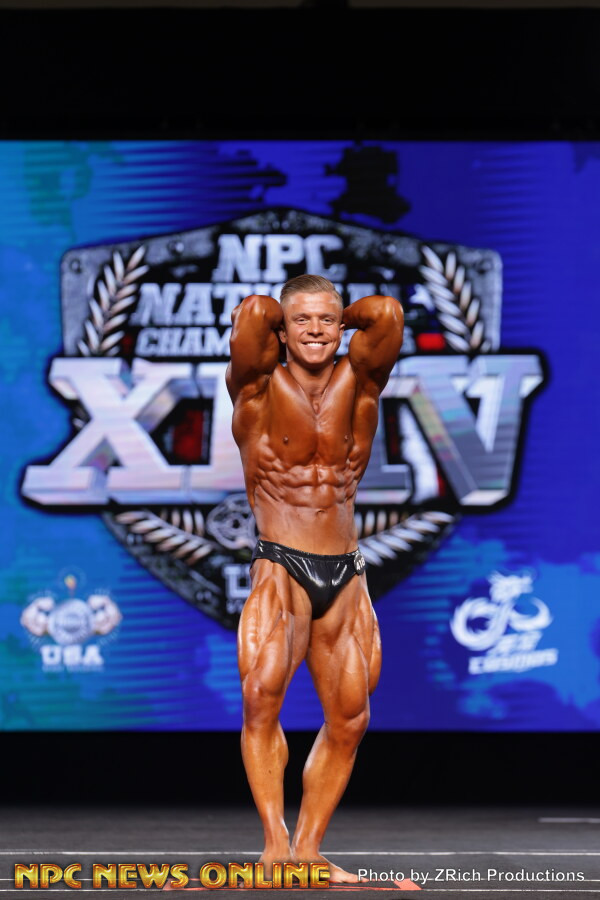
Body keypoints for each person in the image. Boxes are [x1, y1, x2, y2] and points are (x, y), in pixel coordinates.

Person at [226, 274, 404, 884]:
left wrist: (333, 316)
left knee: (350, 719)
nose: (316, 331)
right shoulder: (256, 387)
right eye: (301, 321)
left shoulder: (363, 383)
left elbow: (387, 313)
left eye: (327, 321)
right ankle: (274, 845)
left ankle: (308, 851)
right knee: (261, 698)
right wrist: (288, 318)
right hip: (283, 562)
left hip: (346, 572)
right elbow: (253, 312)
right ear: (282, 329)